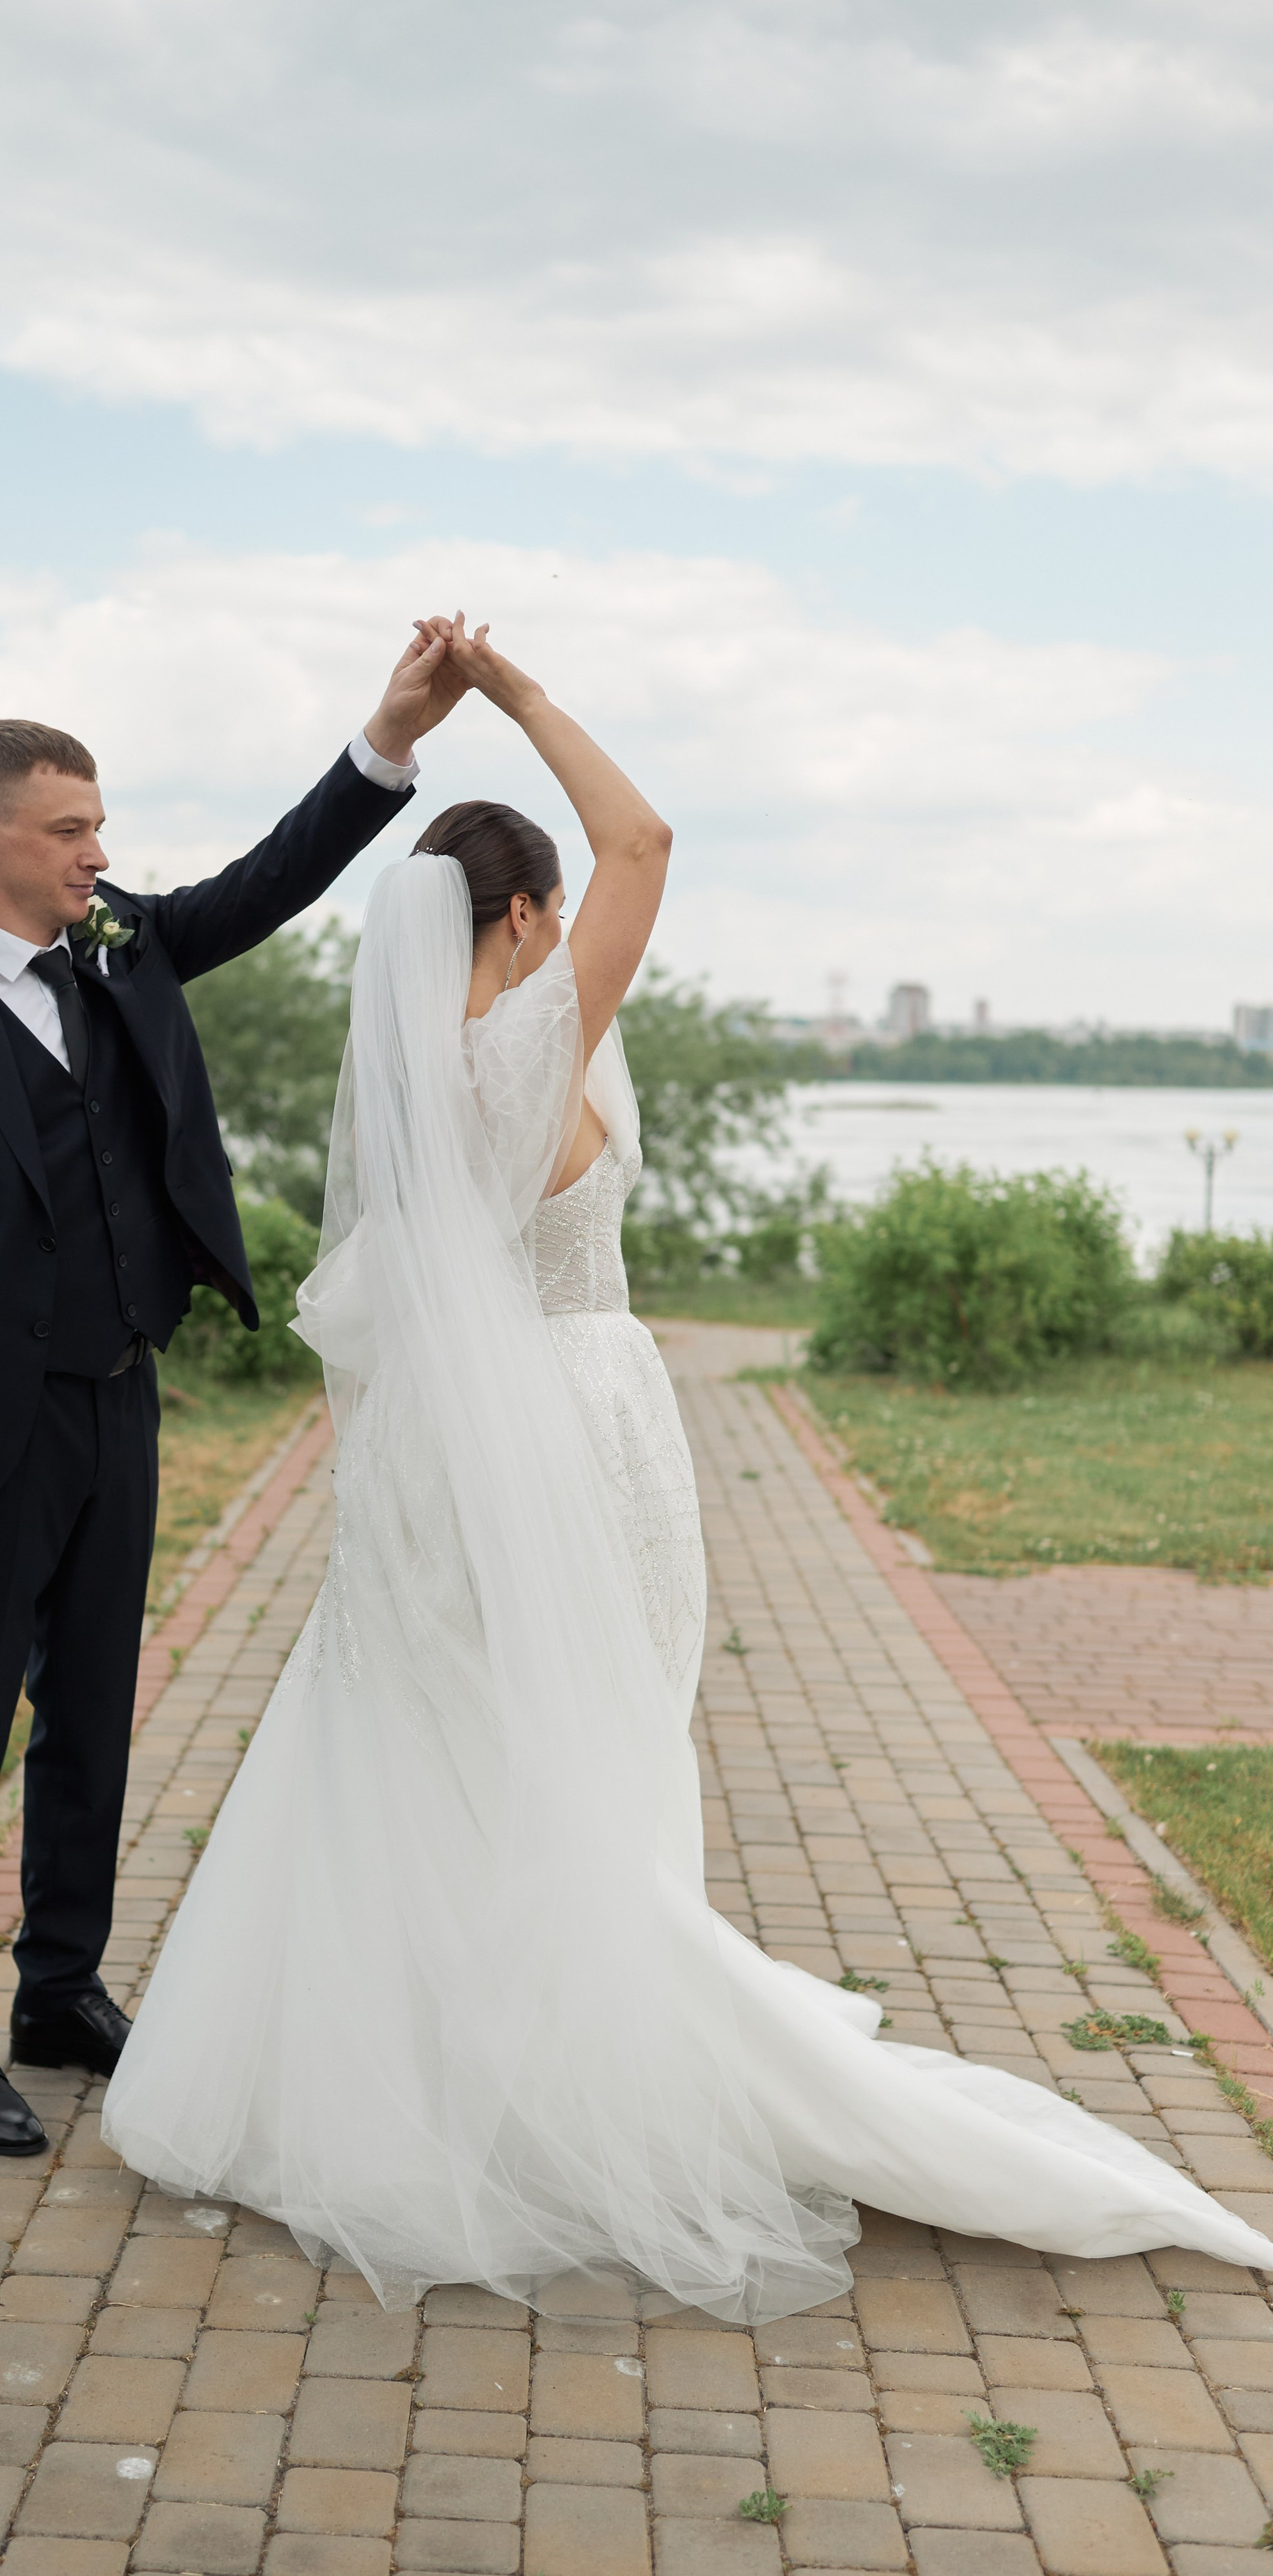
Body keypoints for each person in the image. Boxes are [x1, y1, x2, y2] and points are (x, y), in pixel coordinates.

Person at [103, 615, 1273, 2316]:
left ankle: (405, 2078)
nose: (574, 928)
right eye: (551, 911)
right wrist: (514, 691)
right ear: (523, 918)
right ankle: (586, 2069)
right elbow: (643, 839)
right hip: (578, 1423)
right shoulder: (532, 1042)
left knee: (428, 1742)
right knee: (590, 1754)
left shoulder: (420, 1089)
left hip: (438, 1448)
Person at [0, 624, 467, 2155]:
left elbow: (265, 883)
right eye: (69, 831)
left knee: (96, 1717)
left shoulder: (119, 943)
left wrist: (384, 739)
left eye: (100, 827)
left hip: (119, 1396)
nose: (96, 855)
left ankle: (59, 1989)